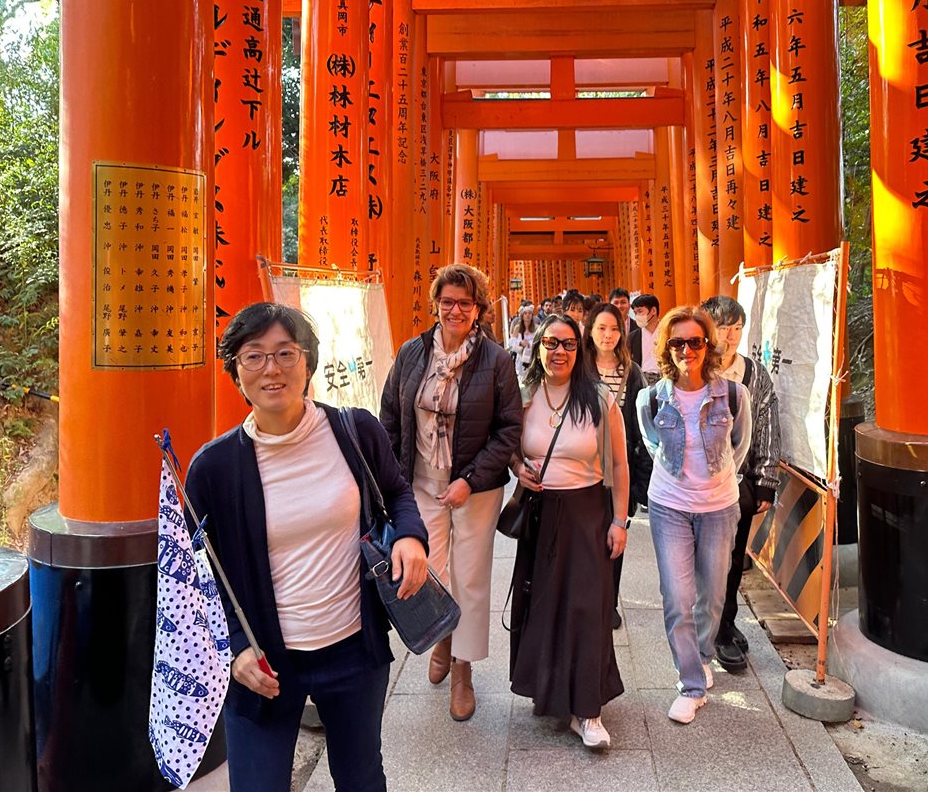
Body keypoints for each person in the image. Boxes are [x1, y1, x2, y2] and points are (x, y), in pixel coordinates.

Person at [185, 302, 429, 792]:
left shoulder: (354, 431)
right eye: (253, 357)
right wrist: (234, 649)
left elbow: (399, 492)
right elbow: (194, 576)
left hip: (353, 648)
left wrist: (409, 537)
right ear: (235, 372)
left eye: (285, 354)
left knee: (361, 777)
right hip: (266, 662)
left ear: (309, 362)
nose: (271, 369)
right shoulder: (212, 469)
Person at [380, 263, 523, 722]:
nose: (455, 310)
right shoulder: (412, 353)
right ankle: (442, 636)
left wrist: (471, 479)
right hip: (420, 481)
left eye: (465, 302)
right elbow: (388, 415)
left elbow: (508, 430)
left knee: (472, 577)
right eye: (448, 302)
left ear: (478, 308)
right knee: (433, 571)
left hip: (474, 489)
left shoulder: (496, 361)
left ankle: (463, 669)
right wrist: (388, 479)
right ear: (436, 305)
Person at [509, 314, 630, 749]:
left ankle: (588, 709)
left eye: (568, 344)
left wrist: (620, 521)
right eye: (551, 343)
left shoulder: (598, 399)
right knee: (542, 604)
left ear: (579, 352)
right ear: (538, 348)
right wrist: (518, 469)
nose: (559, 351)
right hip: (542, 514)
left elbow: (618, 463)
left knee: (585, 606)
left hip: (586, 513)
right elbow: (512, 449)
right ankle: (548, 692)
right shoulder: (524, 397)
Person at [637, 306, 750, 725]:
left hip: (720, 506)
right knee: (677, 597)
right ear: (667, 348)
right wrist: (682, 478)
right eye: (678, 342)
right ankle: (691, 683)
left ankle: (702, 654)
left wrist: (717, 479)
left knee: (714, 594)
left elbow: (739, 445)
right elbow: (652, 444)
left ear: (708, 344)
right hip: (669, 506)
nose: (688, 350)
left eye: (696, 341)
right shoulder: (650, 397)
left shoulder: (734, 395)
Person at [700, 296, 781, 672]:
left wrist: (765, 482)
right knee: (702, 561)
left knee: (733, 560)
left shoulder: (755, 375)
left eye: (736, 327)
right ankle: (705, 626)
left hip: (739, 485)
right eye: (723, 327)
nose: (730, 336)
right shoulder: (693, 369)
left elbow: (767, 427)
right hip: (698, 486)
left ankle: (724, 626)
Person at [583, 303, 653, 628]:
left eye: (613, 329)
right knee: (586, 539)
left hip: (619, 468)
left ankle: (608, 602)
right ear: (590, 330)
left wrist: (640, 480)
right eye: (601, 328)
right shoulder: (580, 368)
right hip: (585, 470)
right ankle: (587, 600)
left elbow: (641, 427)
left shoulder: (632, 371)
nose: (608, 335)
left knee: (616, 535)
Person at [628, 293, 662, 385]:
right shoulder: (633, 337)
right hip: (642, 380)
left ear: (653, 311)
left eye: (640, 311)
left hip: (665, 378)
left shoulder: (668, 332)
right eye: (635, 313)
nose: (637, 316)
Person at [508, 303, 538, 379]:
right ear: (522, 315)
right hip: (521, 359)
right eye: (525, 313)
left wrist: (529, 345)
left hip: (532, 358)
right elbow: (511, 343)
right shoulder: (517, 328)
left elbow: (539, 342)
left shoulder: (537, 328)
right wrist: (520, 343)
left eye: (529, 313)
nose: (527, 315)